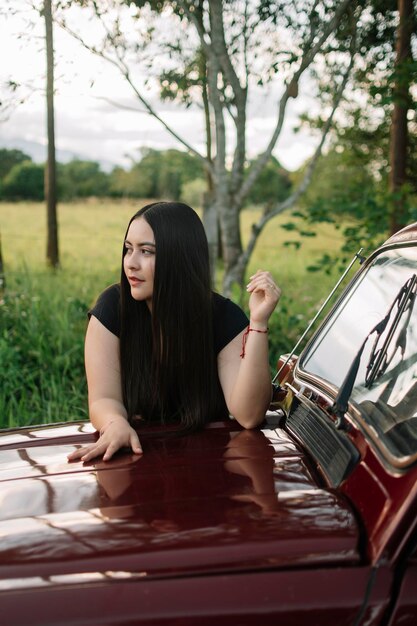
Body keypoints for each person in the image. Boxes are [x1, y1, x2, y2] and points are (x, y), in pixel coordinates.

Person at [68, 201, 281, 463]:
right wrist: (114, 424)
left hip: (209, 464)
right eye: (128, 249)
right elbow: (103, 398)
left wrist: (258, 323)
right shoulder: (113, 308)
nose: (131, 263)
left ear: (180, 256)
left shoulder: (223, 317)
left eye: (146, 252)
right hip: (136, 458)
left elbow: (249, 415)